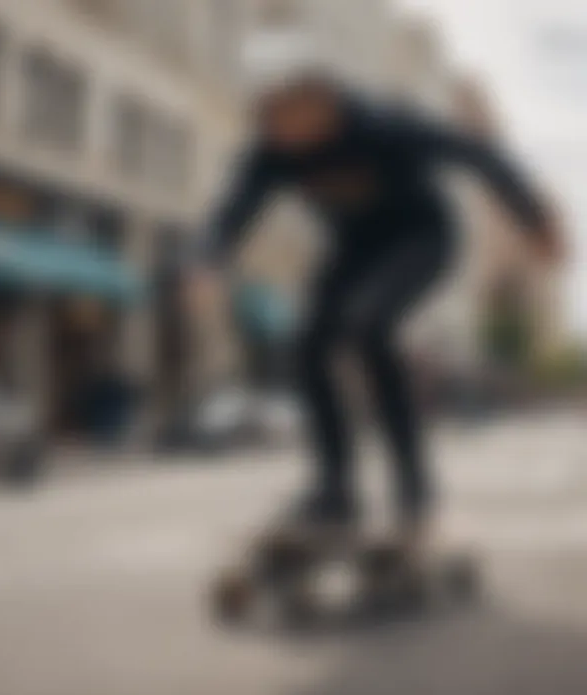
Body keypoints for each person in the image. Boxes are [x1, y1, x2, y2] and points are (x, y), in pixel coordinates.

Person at [188, 54, 563, 569]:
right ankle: (334, 494)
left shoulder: (386, 125)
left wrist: (533, 218)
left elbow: (478, 154)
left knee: (368, 328)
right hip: (353, 249)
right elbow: (234, 209)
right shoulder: (271, 149)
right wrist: (207, 260)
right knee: (308, 343)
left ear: (326, 104)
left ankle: (415, 496)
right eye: (273, 124)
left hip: (422, 239)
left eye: (293, 122)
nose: (285, 138)